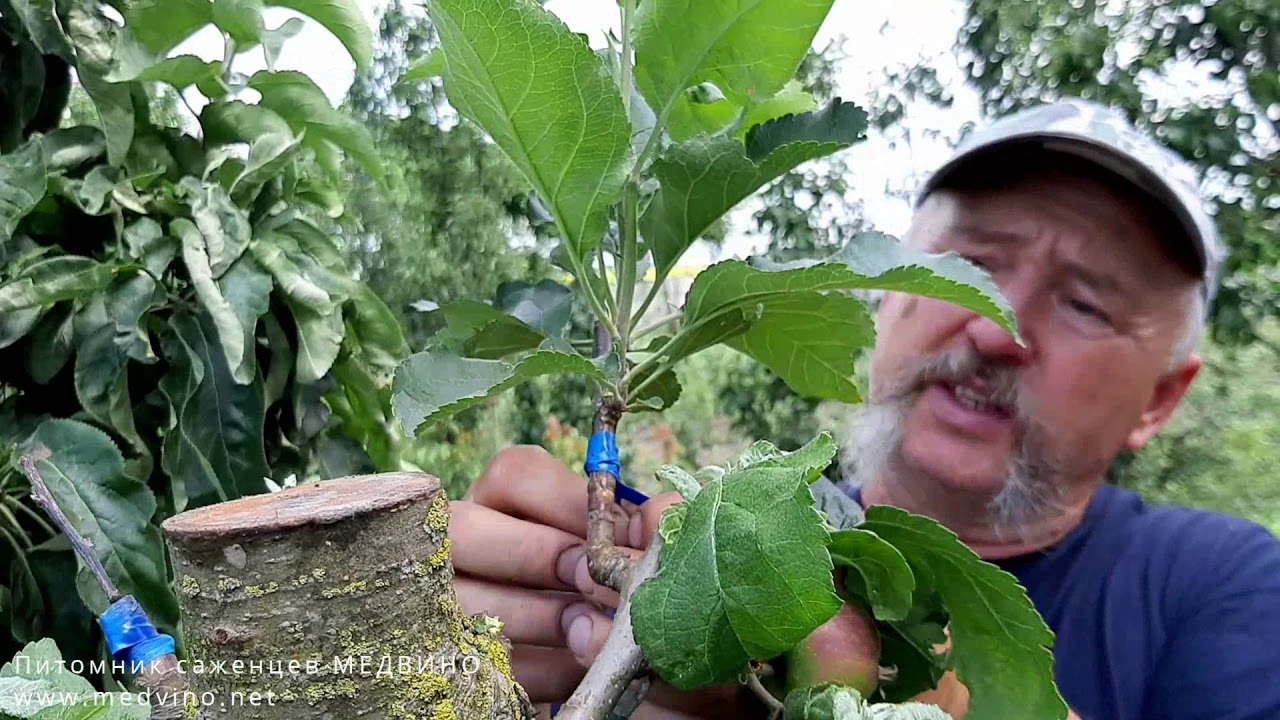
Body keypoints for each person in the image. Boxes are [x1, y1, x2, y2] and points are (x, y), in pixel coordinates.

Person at [446, 98, 1280, 720]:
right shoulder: (732, 520)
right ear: (889, 292)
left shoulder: (1222, 590)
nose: (999, 330)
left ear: (1163, 398)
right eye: (970, 265)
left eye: (1087, 305)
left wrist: (900, 681)